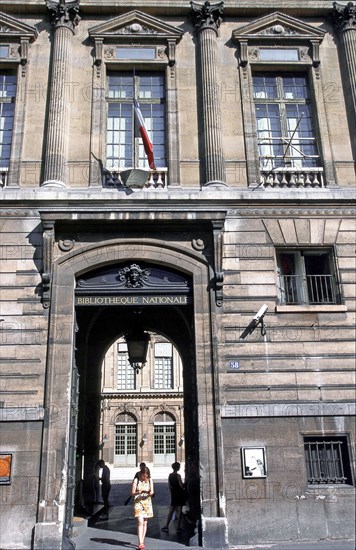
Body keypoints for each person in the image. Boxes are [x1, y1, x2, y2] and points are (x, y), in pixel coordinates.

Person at [132, 464, 154, 550]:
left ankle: (142, 540)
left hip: (147, 503)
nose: (145, 478)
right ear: (140, 474)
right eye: (143, 476)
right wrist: (138, 492)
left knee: (145, 523)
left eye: (146, 476)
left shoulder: (150, 480)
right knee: (140, 522)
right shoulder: (136, 480)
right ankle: (140, 542)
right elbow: (132, 492)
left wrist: (148, 492)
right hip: (138, 502)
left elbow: (152, 492)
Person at [161, 462, 186, 533]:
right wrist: (185, 484)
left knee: (171, 510)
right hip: (179, 494)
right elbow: (181, 486)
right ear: (177, 468)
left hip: (174, 494)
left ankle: (166, 525)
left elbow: (169, 485)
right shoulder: (178, 476)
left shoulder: (170, 475)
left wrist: (171, 493)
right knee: (179, 510)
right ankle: (178, 527)